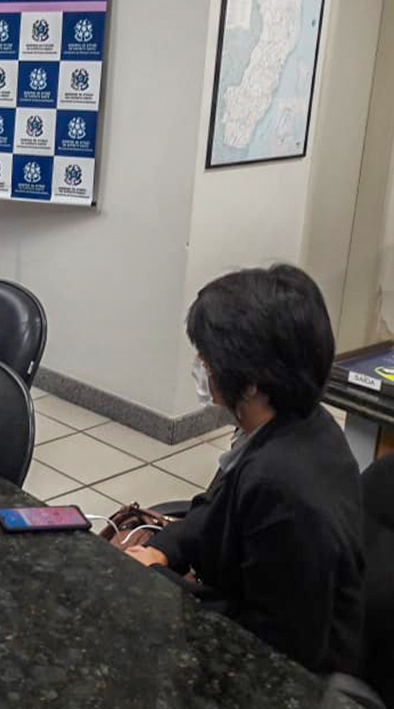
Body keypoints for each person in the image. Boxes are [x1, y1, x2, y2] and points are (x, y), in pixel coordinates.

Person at [126, 265, 365, 676]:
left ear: (252, 382)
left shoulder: (283, 487)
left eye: (207, 358)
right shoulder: (292, 422)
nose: (200, 365)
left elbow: (267, 648)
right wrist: (163, 548)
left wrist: (161, 581)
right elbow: (216, 508)